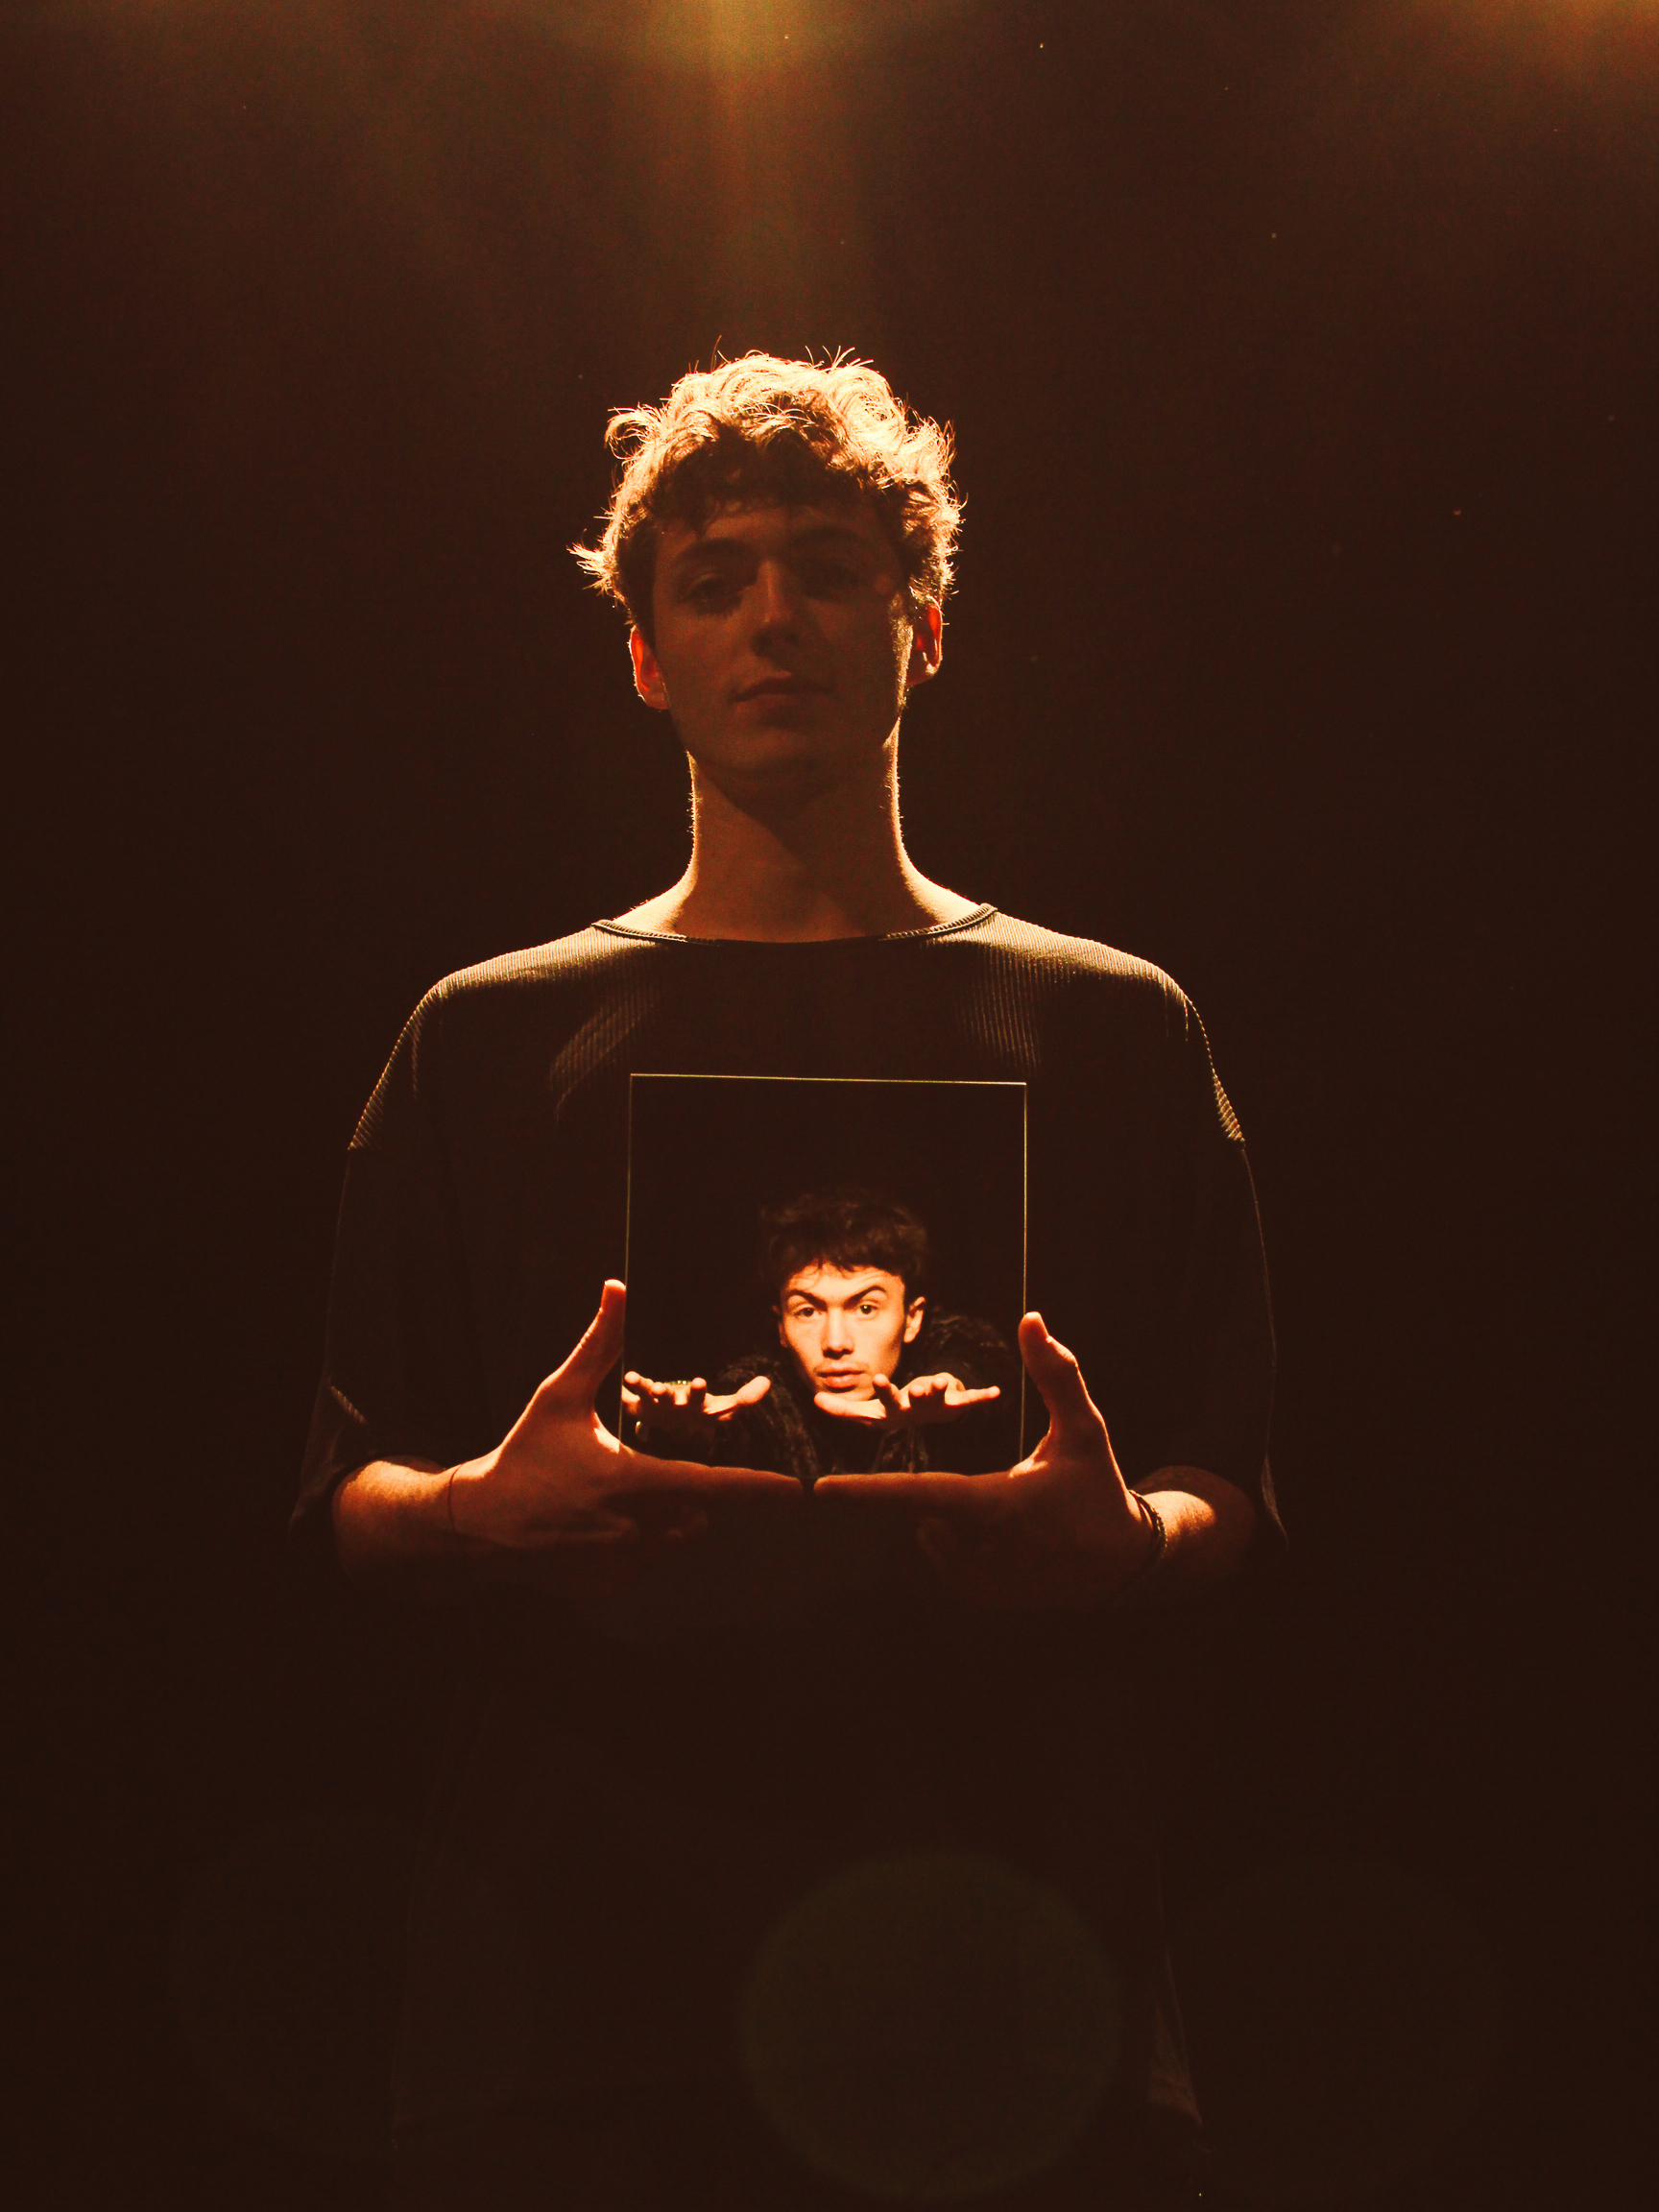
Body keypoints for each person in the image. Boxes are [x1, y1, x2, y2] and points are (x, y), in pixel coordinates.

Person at [297, 352, 1282, 2209]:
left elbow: (1221, 1474)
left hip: (1016, 1986)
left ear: (921, 628)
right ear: (645, 653)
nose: (773, 617)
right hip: (585, 1999)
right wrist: (481, 1506)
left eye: (827, 569)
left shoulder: (1111, 1028)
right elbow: (346, 1485)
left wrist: (1127, 1538)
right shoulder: (485, 1039)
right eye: (715, 577)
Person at [625, 1184, 1019, 1480]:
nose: (836, 1343)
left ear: (912, 1319)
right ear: (781, 1327)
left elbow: (977, 1352)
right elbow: (740, 1405)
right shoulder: (766, 1389)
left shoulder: (946, 1342)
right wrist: (692, 1433)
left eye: (865, 1308)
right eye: (808, 1311)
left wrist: (948, 1384)